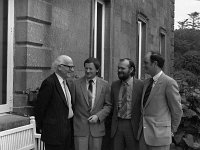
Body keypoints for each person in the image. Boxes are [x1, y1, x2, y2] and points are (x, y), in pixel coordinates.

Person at [137, 51, 183, 150]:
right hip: (143, 137)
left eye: (146, 62)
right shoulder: (146, 83)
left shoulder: (169, 83)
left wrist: (171, 131)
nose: (143, 65)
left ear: (155, 64)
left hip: (160, 138)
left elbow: (177, 111)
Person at [34, 55, 75, 150]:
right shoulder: (49, 83)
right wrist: (41, 127)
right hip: (54, 135)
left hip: (67, 133)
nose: (72, 70)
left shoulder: (66, 83)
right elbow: (40, 108)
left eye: (73, 67)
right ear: (60, 67)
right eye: (69, 67)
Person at [73, 57, 112, 150]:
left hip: (97, 129)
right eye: (86, 68)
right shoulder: (75, 84)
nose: (87, 71)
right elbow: (72, 105)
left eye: (90, 68)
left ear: (97, 70)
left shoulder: (105, 85)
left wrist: (98, 116)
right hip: (80, 129)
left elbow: (108, 105)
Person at [111, 58, 144, 150]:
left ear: (131, 69)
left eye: (122, 68)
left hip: (133, 126)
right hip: (117, 125)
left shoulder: (141, 85)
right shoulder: (114, 85)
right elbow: (111, 106)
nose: (119, 70)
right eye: (118, 68)